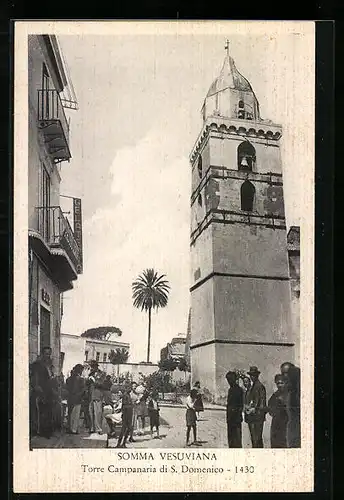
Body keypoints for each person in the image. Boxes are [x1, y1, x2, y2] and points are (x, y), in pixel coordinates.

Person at [30, 346, 55, 439]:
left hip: (48, 392)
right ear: (42, 354)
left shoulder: (50, 366)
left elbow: (50, 379)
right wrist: (40, 392)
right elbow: (35, 381)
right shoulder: (37, 365)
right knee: (39, 412)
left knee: (47, 412)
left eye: (49, 354)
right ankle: (38, 431)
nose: (47, 356)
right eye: (46, 354)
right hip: (39, 392)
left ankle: (46, 431)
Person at [245, 366, 267, 448]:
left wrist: (254, 409)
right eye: (251, 375)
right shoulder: (253, 386)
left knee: (257, 439)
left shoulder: (260, 386)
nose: (252, 377)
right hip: (252, 417)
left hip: (257, 417)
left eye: (253, 375)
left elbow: (262, 402)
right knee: (254, 439)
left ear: (257, 375)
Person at [281, 362, 301, 447]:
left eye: (287, 373)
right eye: (283, 373)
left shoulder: (298, 389)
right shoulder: (287, 388)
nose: (285, 376)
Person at [268, 374, 289, 448]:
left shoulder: (288, 394)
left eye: (281, 383)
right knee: (274, 442)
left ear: (285, 383)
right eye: (278, 383)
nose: (279, 385)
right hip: (275, 422)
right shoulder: (275, 394)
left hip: (285, 423)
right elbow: (269, 405)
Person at [225, 371, 244, 448]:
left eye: (230, 379)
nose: (229, 381)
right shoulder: (231, 389)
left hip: (236, 419)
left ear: (234, 379)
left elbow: (240, 405)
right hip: (230, 419)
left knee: (237, 440)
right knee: (231, 439)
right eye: (228, 380)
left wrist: (234, 413)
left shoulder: (238, 390)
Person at [66, 364, 85, 434]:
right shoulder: (81, 379)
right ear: (79, 370)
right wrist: (80, 395)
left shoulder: (69, 379)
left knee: (70, 413)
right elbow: (83, 390)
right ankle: (74, 429)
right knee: (76, 414)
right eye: (81, 370)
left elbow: (67, 388)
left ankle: (70, 428)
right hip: (78, 398)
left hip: (70, 398)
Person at [87, 361, 106, 434]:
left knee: (98, 412)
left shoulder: (102, 374)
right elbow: (87, 384)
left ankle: (99, 429)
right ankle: (92, 428)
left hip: (98, 395)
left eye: (93, 366)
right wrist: (88, 379)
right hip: (90, 395)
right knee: (90, 412)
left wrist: (93, 379)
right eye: (91, 366)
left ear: (96, 366)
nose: (91, 368)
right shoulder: (90, 374)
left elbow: (101, 384)